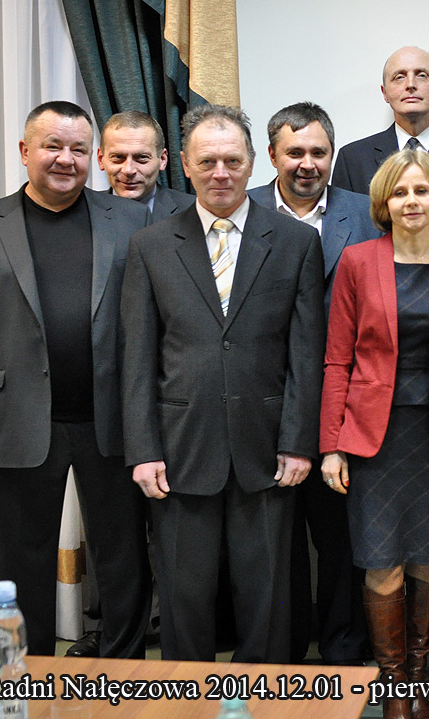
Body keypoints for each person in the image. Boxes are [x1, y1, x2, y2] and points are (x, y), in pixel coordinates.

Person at [122, 104, 325, 664]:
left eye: (232, 160)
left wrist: (298, 441)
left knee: (267, 593)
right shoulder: (151, 246)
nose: (220, 173)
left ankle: (262, 694)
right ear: (183, 165)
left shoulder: (294, 242)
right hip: (180, 446)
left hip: (268, 447)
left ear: (252, 162)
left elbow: (306, 355)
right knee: (185, 594)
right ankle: (186, 697)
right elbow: (136, 357)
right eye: (207, 161)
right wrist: (143, 449)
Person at [0, 100, 151, 660]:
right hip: (17, 421)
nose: (66, 159)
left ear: (94, 158)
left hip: (113, 420)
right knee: (22, 558)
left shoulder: (134, 222)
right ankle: (26, 668)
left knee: (122, 557)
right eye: (52, 146)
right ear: (24, 152)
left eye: (79, 150)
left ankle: (124, 669)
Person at [320, 147, 429, 719]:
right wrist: (331, 443)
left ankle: (417, 679)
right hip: (373, 438)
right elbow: (337, 360)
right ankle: (393, 686)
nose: (411, 201)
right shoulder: (357, 262)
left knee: (426, 562)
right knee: (380, 561)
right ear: (383, 203)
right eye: (399, 192)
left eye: (421, 191)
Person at [248, 101, 380, 665]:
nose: (307, 163)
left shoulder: (368, 211)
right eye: (294, 152)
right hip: (262, 400)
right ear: (273, 155)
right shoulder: (244, 207)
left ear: (333, 154)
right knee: (273, 541)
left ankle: (343, 655)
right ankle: (281, 653)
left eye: (318, 152)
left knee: (339, 536)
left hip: (345, 402)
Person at [331, 46, 429, 197]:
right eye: (399, 77)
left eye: (422, 75)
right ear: (385, 93)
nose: (410, 84)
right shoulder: (353, 160)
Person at [98, 110, 195, 219]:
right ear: (101, 159)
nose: (128, 170)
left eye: (142, 158)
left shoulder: (193, 212)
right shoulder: (84, 214)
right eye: (118, 157)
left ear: (162, 159)